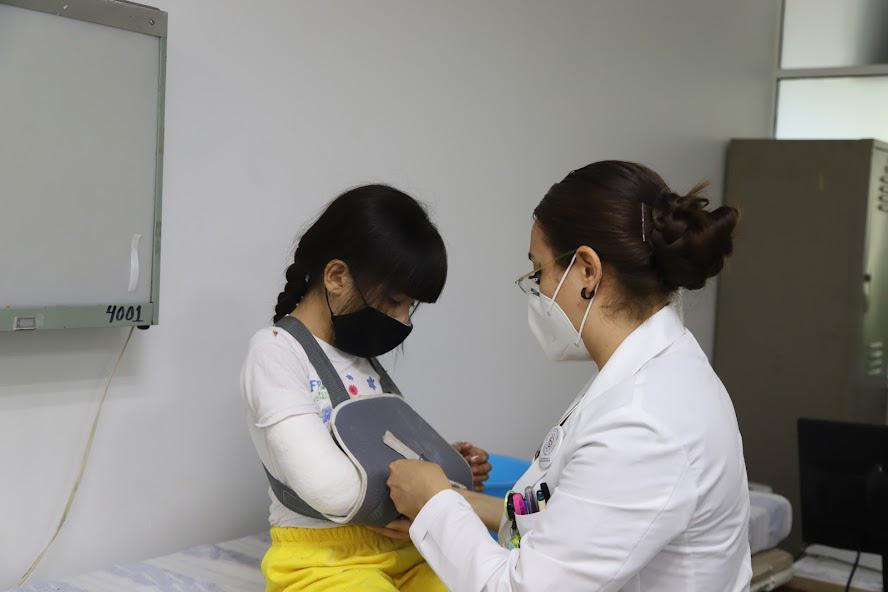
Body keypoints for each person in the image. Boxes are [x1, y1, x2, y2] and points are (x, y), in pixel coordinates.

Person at [385, 161, 753, 591]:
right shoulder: (651, 372)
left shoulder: (645, 423)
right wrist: (459, 501)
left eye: (538, 271)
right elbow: (564, 512)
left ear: (587, 271)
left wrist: (433, 502)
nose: (537, 290)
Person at [240, 184, 491, 592]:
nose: (404, 320)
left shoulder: (361, 359)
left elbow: (376, 453)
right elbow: (332, 490)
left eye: (410, 306)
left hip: (405, 549)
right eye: (393, 300)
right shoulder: (275, 353)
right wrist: (433, 487)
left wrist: (447, 465)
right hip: (323, 560)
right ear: (337, 277)